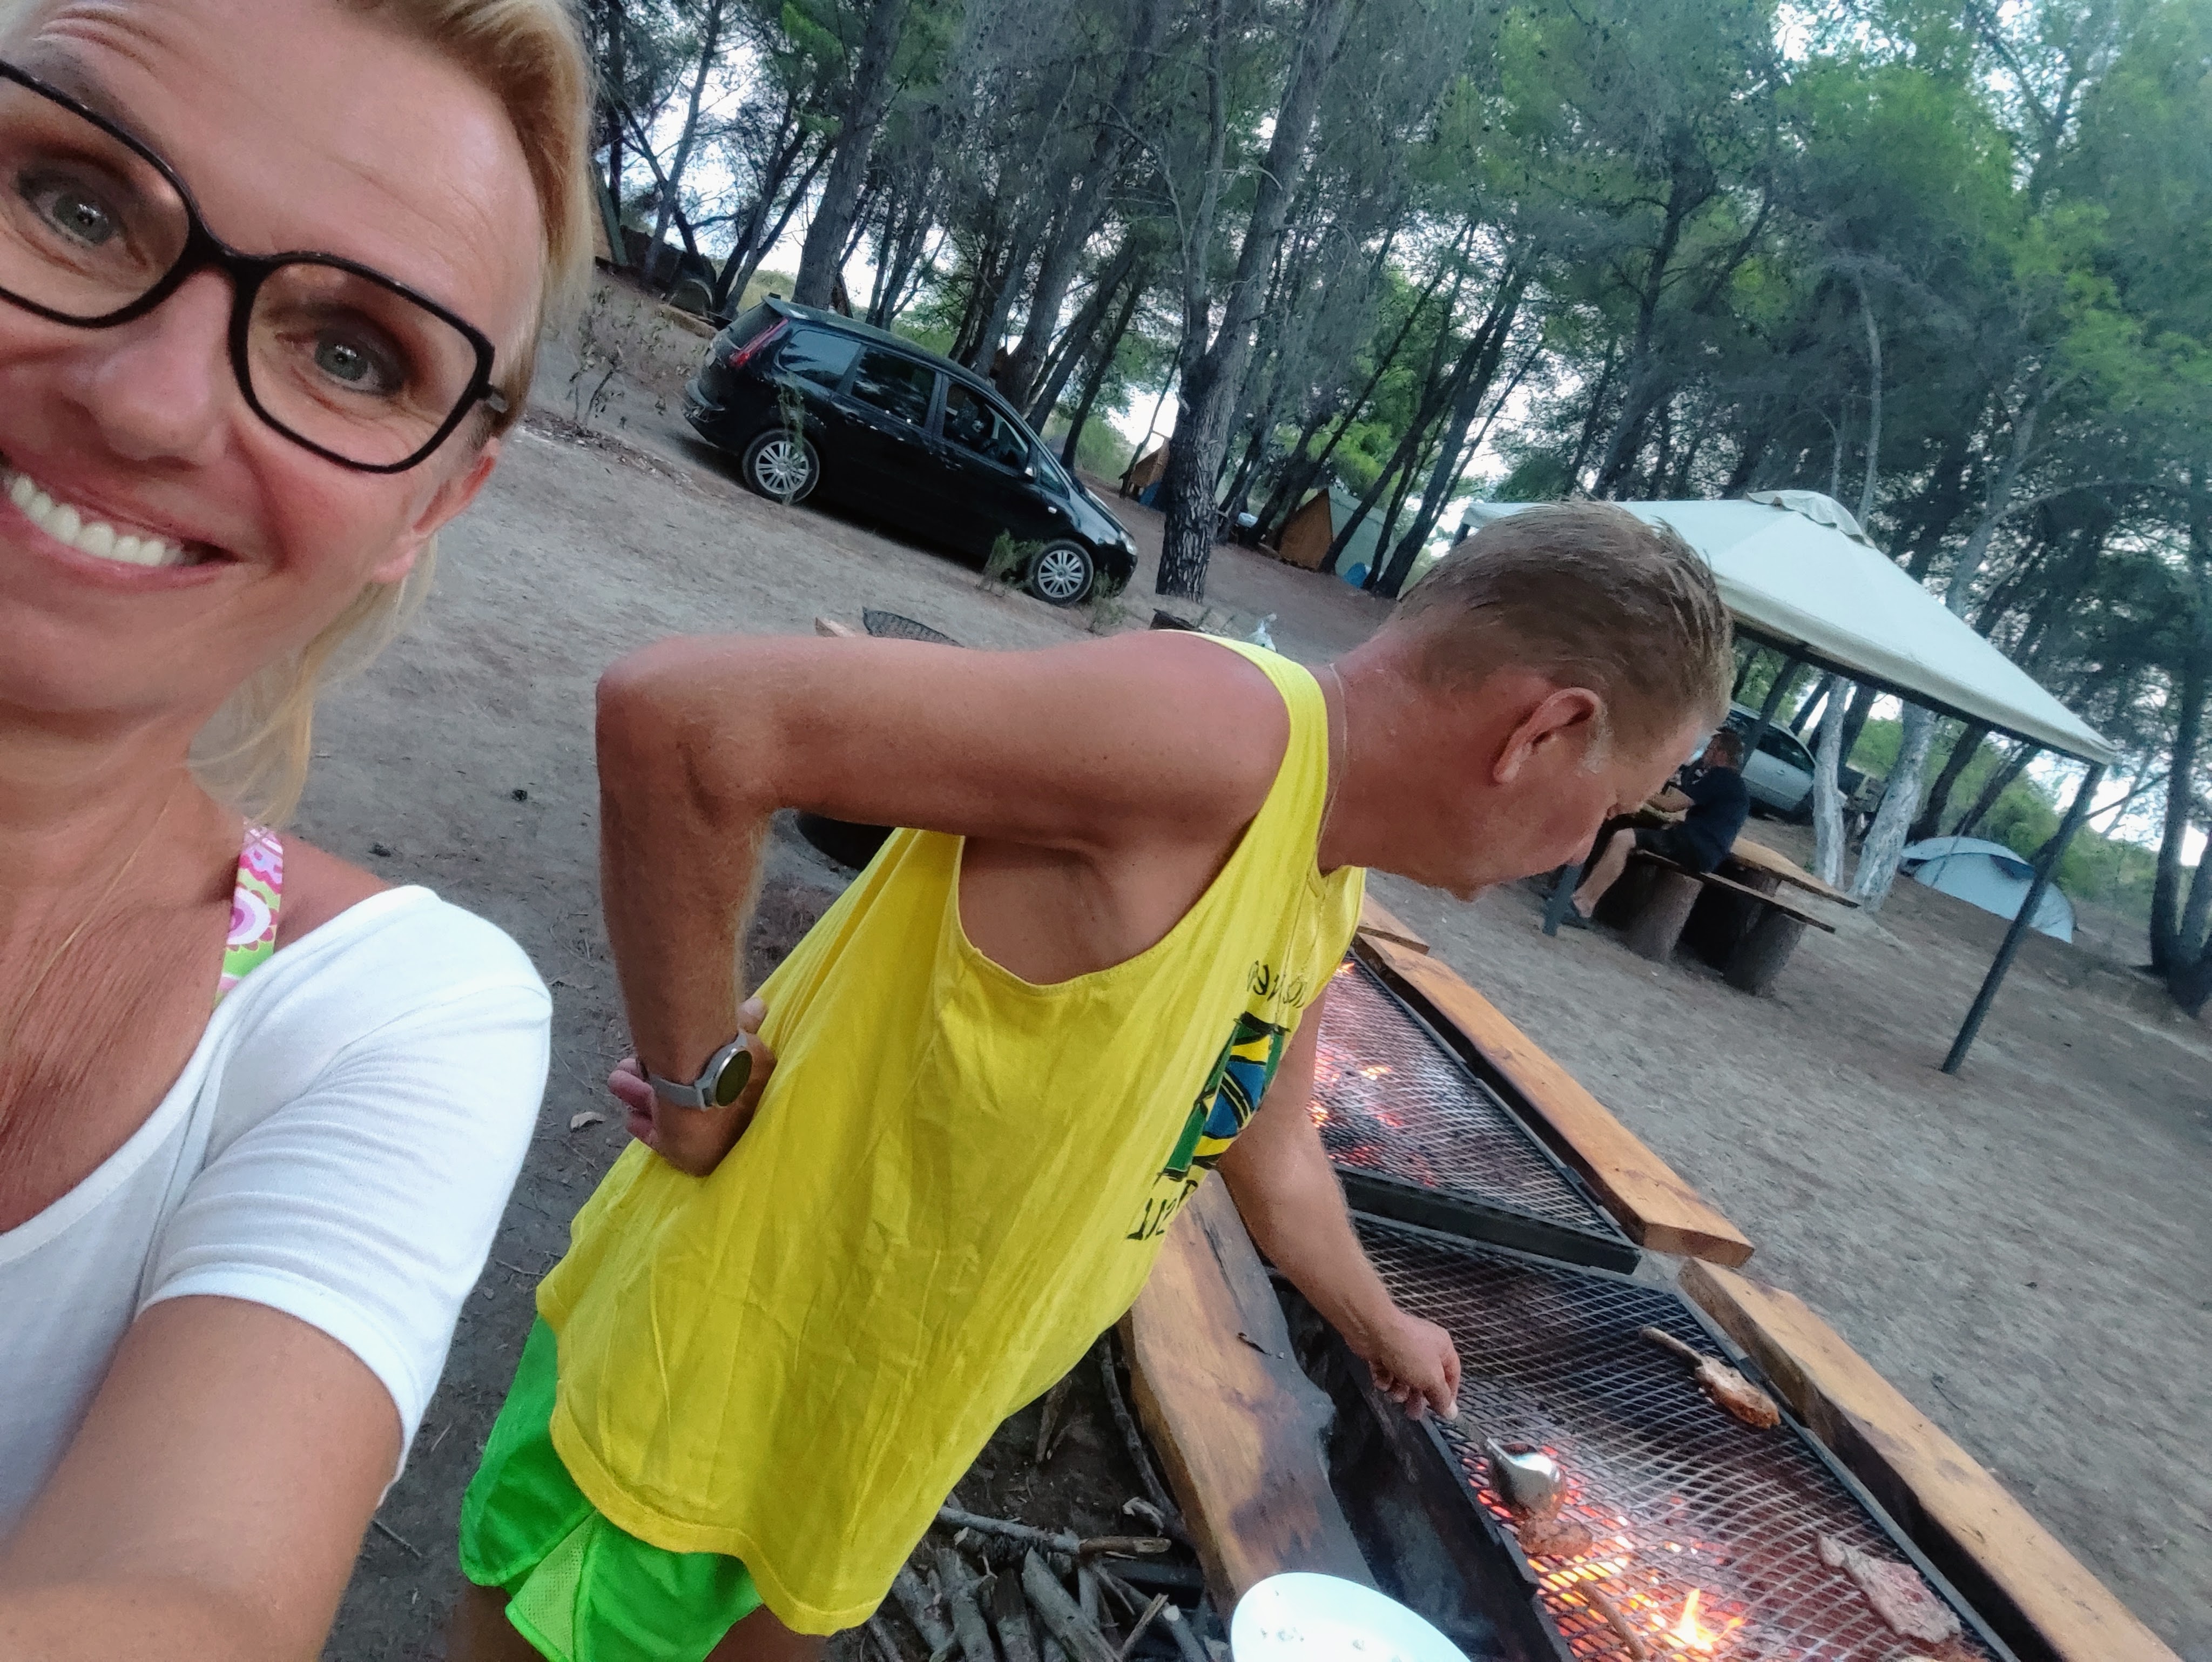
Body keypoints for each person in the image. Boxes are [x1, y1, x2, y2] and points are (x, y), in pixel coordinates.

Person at [450, 503, 1734, 1662]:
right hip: (716, 1373)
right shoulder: (1221, 734)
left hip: (879, 1418)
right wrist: (699, 1088)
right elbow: (685, 719)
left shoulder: (1322, 875)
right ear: (1543, 730)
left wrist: (1382, 1327)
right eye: (1614, 807)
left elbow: (1270, 1148)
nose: (1587, 847)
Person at [0, 0, 593, 1653]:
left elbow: (194, 1598)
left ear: (434, 500)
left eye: (351, 354)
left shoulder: (389, 1018)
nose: (150, 402)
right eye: (74, 202)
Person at [1568, 727, 1752, 921]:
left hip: (1697, 848)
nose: (1705, 753)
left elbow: (1671, 805)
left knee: (1623, 838)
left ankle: (1584, 906)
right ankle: (1580, 897)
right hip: (1705, 849)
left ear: (1722, 754)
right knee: (1627, 837)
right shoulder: (1735, 784)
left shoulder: (1721, 776)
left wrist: (1639, 792)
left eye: (1710, 749)